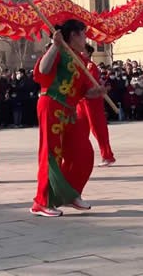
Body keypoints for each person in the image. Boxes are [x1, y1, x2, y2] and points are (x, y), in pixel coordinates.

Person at [30, 19, 105, 217]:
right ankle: (42, 201)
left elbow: (83, 92)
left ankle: (71, 194)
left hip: (69, 111)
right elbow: (42, 71)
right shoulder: (59, 50)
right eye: (83, 34)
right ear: (73, 35)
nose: (85, 38)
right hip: (51, 105)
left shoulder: (80, 60)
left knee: (83, 152)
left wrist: (96, 92)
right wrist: (55, 46)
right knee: (51, 153)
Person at [77, 43, 116, 167]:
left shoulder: (90, 66)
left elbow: (90, 85)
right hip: (81, 101)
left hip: (92, 101)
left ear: (88, 53)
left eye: (83, 51)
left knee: (97, 129)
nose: (80, 53)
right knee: (80, 130)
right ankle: (81, 156)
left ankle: (107, 156)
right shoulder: (78, 65)